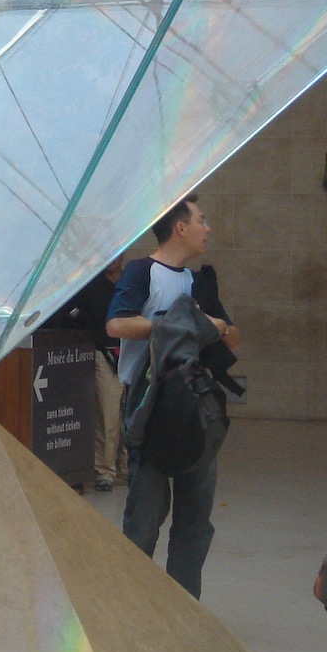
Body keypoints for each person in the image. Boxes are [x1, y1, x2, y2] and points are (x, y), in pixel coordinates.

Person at [106, 193, 240, 598]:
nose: (208, 228)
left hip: (195, 406)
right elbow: (116, 325)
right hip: (148, 407)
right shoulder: (140, 272)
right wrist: (177, 326)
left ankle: (184, 604)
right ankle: (132, 603)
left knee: (196, 518)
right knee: (145, 516)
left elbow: (232, 337)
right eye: (202, 219)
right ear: (180, 228)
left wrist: (206, 324)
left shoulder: (199, 281)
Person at [52, 256, 126, 492]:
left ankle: (126, 467)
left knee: (130, 416)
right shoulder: (89, 286)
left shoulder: (131, 281)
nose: (111, 260)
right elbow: (67, 314)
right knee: (108, 413)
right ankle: (104, 471)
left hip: (133, 355)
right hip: (103, 354)